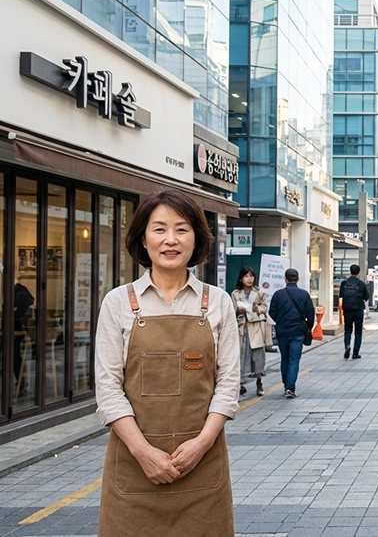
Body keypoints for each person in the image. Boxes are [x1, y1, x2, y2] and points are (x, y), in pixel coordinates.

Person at [95, 189, 239, 536]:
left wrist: (201, 444)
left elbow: (229, 384)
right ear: (143, 239)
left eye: (182, 229)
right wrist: (144, 453)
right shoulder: (118, 303)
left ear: (197, 240)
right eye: (159, 229)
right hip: (133, 469)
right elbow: (108, 389)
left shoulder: (217, 302)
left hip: (203, 469)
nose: (170, 240)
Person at [268, 268, 314, 399]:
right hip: (298, 331)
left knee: (285, 358)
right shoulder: (304, 294)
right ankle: (290, 388)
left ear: (285, 279)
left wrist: (280, 321)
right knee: (294, 360)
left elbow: (272, 312)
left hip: (282, 331)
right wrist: (308, 327)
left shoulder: (278, 294)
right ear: (298, 279)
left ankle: (286, 385)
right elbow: (310, 313)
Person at [232, 266, 268, 397]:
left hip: (255, 327)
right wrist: (238, 310)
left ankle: (259, 381)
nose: (249, 279)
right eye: (246, 276)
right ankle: (240, 383)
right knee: (241, 354)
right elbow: (232, 310)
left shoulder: (259, 293)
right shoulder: (236, 293)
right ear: (241, 279)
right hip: (241, 327)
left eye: (251, 276)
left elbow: (264, 307)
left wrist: (256, 308)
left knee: (257, 355)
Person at [339, 264, 370, 359]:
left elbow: (340, 295)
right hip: (358, 310)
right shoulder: (361, 284)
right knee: (358, 332)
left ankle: (347, 345)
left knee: (347, 330)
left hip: (347, 310)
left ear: (350, 271)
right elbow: (366, 297)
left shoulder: (344, 283)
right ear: (358, 272)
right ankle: (355, 353)